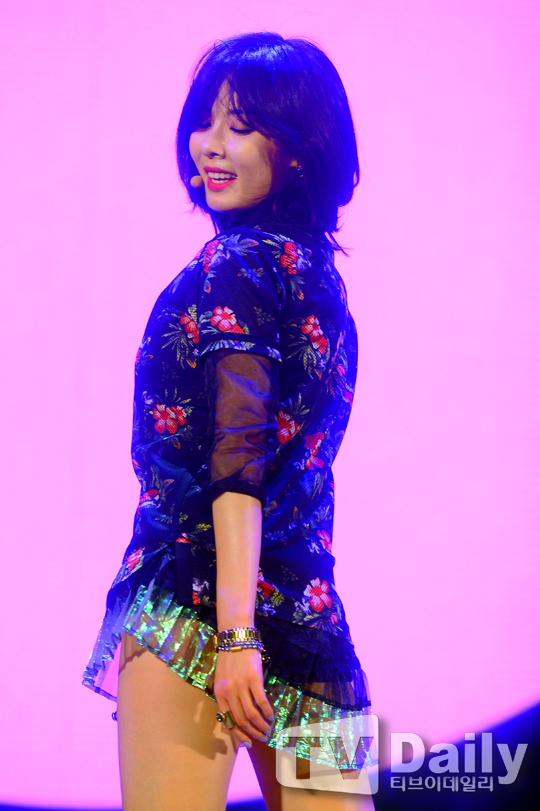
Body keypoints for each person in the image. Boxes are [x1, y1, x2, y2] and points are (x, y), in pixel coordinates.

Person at [83, 31, 376, 811]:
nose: (209, 145)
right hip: (304, 609)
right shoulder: (323, 281)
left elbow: (237, 459)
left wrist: (236, 633)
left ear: (300, 151)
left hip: (199, 605)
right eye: (204, 121)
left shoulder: (236, 264)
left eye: (240, 126)